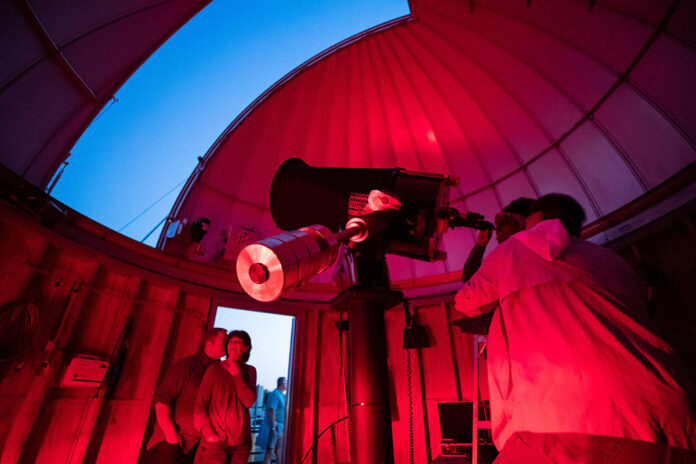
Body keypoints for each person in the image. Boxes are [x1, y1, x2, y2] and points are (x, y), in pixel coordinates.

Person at [455, 193, 696, 463]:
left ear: (533, 221)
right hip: (667, 419)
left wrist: (489, 245)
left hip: (564, 423)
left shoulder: (516, 248)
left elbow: (466, 300)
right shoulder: (613, 261)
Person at [141, 328, 227, 464]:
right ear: (209, 344)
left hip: (196, 446)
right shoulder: (187, 366)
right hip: (173, 444)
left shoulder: (219, 373)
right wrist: (172, 437)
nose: (227, 345)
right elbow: (162, 402)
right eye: (223, 342)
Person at [194, 330, 257, 464]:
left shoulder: (250, 371)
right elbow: (200, 404)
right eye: (231, 341)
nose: (233, 344)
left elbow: (249, 402)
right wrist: (209, 434)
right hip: (216, 444)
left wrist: (237, 375)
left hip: (241, 445)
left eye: (237, 342)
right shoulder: (215, 369)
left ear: (246, 348)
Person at [461, 197, 534, 283]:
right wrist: (480, 245)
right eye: (497, 222)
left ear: (522, 222)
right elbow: (470, 280)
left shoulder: (532, 255)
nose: (497, 228)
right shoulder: (503, 259)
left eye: (505, 221)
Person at [260, 376, 287, 464]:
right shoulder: (274, 394)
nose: (287, 385)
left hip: (279, 427)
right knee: (270, 452)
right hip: (274, 427)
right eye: (286, 383)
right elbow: (271, 411)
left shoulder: (282, 395)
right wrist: (273, 428)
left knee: (279, 452)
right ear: (282, 384)